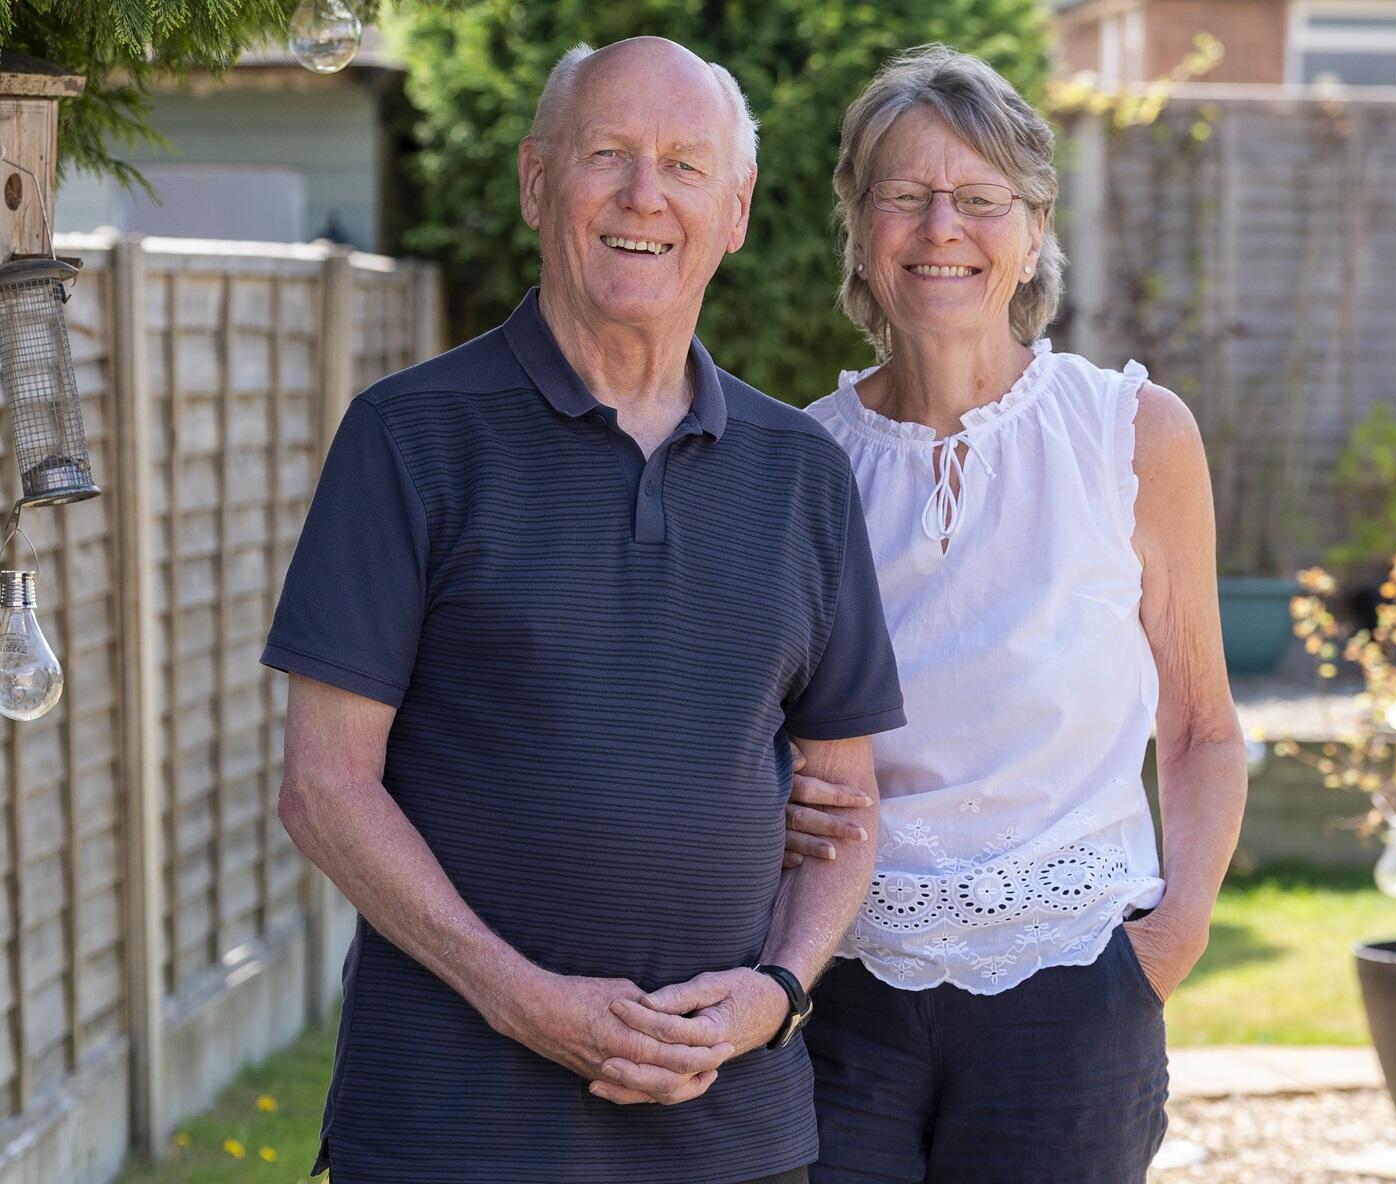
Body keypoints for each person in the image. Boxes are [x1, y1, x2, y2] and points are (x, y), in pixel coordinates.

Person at [261, 37, 904, 1184]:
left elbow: (845, 795)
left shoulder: (803, 471)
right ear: (535, 180)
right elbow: (323, 786)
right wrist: (525, 1002)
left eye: (683, 165)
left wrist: (777, 989)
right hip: (451, 1129)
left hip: (735, 1136)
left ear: (737, 208)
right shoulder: (409, 438)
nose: (643, 195)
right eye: (607, 154)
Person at [778, 46, 1248, 1183]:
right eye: (906, 194)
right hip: (848, 998)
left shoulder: (1132, 433)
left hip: (1076, 991)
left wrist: (1166, 942)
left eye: (981, 198)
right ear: (859, 223)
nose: (944, 226)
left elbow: (1202, 727)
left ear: (1032, 231)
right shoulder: (801, 462)